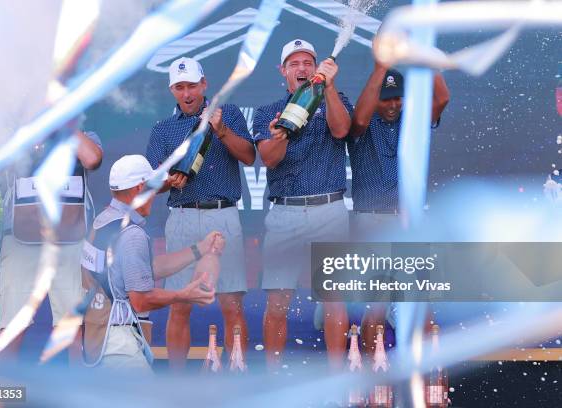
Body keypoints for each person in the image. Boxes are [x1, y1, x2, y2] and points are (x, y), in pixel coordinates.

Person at [145, 57, 255, 370]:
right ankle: (179, 388)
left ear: (204, 85)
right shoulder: (163, 130)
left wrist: (221, 131)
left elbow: (249, 157)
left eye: (192, 85)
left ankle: (238, 379)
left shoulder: (228, 113)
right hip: (181, 218)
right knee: (179, 303)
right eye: (180, 87)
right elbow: (151, 184)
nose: (187, 93)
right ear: (172, 90)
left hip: (223, 216)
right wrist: (169, 182)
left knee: (231, 302)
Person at [252, 39, 352, 369]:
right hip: (285, 214)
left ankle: (339, 378)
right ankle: (273, 378)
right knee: (277, 300)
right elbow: (269, 158)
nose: (302, 69)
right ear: (284, 72)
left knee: (334, 298)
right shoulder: (268, 112)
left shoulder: (334, 100)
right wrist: (280, 134)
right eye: (294, 64)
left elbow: (341, 130)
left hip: (329, 209)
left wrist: (330, 88)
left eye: (308, 62)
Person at [347, 62, 450, 358]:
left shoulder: (413, 120)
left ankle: (420, 380)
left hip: (409, 223)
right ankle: (368, 379)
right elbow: (358, 122)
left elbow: (441, 99)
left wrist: (428, 60)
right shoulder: (362, 124)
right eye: (386, 97)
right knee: (376, 306)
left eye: (398, 98)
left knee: (420, 305)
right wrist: (379, 66)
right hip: (372, 221)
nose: (393, 104)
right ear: (375, 98)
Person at [83, 155, 221, 369]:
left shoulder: (102, 222)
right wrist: (184, 295)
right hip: (120, 346)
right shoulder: (132, 235)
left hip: (98, 337)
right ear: (139, 188)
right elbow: (140, 300)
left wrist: (198, 249)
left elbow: (140, 270)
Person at [0, 130, 103, 362]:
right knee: (12, 324)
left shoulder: (83, 135)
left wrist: (65, 124)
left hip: (68, 240)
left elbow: (92, 159)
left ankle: (76, 395)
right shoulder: (17, 131)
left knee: (71, 325)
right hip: (20, 240)